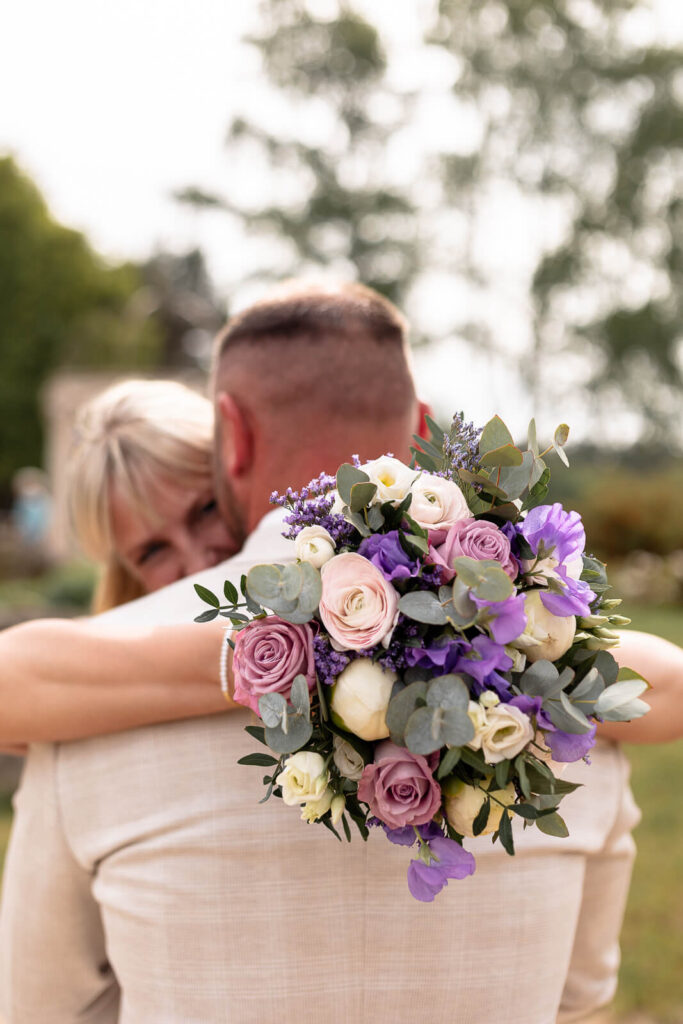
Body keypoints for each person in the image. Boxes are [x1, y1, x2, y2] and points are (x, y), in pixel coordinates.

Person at [0, 281, 681, 1022]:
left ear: (233, 438)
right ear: (419, 427)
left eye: (199, 511)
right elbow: (577, 1000)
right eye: (155, 549)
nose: (200, 557)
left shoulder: (81, 731)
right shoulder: (564, 717)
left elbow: (43, 1007)